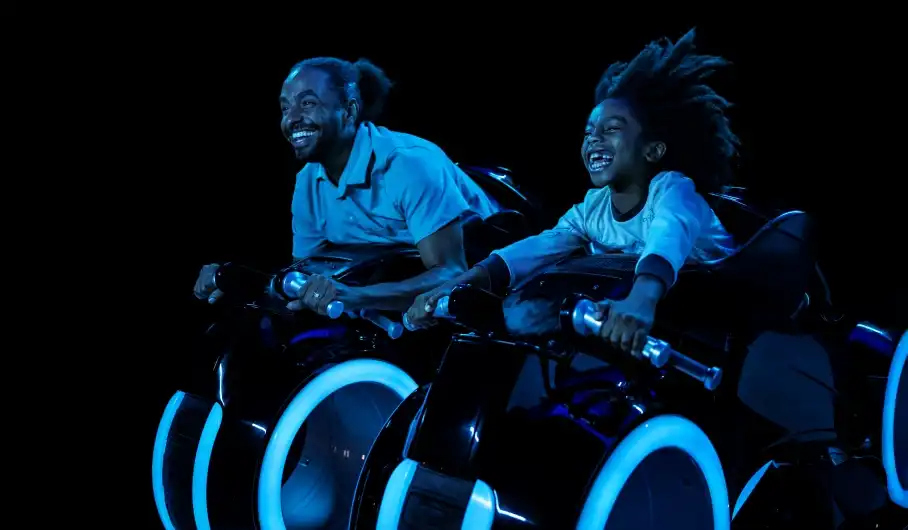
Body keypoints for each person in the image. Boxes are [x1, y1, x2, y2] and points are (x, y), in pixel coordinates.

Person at [406, 29, 739, 356]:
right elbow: (530, 253)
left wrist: (641, 299)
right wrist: (450, 287)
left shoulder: (673, 190)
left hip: (724, 320)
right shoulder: (591, 210)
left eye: (611, 129)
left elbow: (667, 237)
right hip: (666, 324)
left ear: (652, 150)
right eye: (588, 132)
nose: (594, 139)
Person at [193, 57, 499, 314]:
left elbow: (453, 274)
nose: (292, 118)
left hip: (494, 281)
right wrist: (238, 284)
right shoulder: (308, 182)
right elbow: (309, 278)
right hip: (406, 290)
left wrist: (356, 297)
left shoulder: (408, 165)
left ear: (349, 111)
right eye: (285, 108)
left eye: (307, 103)